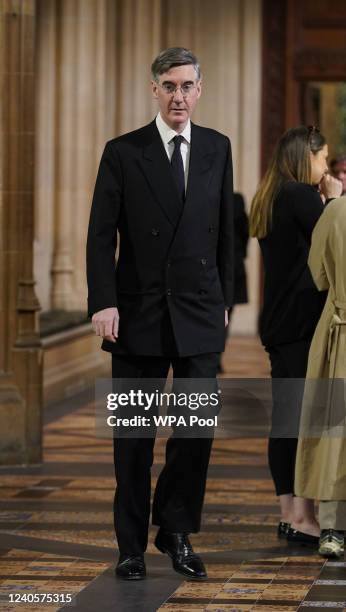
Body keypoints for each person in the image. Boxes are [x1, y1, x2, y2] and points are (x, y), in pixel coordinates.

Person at [86, 47, 233, 581]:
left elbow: (226, 237)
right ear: (154, 89)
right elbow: (101, 234)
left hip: (197, 311)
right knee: (133, 438)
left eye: (187, 86)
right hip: (136, 314)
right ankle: (130, 547)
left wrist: (224, 302)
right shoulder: (123, 152)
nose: (178, 96)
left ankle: (175, 528)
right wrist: (102, 300)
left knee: (196, 432)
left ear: (199, 91)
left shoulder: (218, 148)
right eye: (169, 86)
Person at [249, 126, 342, 546]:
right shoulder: (301, 195)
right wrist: (337, 199)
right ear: (308, 156)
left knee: (285, 419)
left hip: (279, 321)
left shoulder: (271, 195)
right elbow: (336, 243)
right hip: (302, 323)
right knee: (301, 421)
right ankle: (304, 517)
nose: (326, 167)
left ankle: (289, 513)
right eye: (323, 158)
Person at [295, 195, 346, 558]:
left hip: (341, 331)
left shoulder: (336, 210)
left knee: (335, 431)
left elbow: (318, 274)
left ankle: (333, 527)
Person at [219, 192, 248, 372]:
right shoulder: (236, 200)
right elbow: (245, 230)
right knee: (226, 315)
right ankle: (216, 356)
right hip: (234, 264)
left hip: (226, 265)